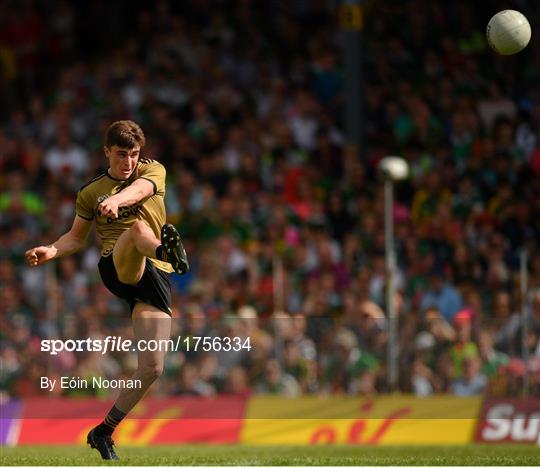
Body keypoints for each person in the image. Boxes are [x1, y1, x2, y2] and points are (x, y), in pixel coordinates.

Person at [24, 120, 189, 460]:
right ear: (106, 152)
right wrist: (51, 250)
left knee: (152, 368)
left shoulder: (153, 170)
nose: (128, 162)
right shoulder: (90, 191)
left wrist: (118, 200)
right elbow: (75, 237)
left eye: (133, 154)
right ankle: (165, 250)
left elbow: (141, 190)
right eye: (121, 155)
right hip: (118, 266)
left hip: (154, 278)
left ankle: (103, 430)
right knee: (137, 229)